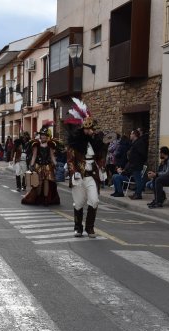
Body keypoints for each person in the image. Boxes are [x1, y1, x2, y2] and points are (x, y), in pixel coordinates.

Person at [65, 98, 106, 237]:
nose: (92, 131)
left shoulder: (96, 142)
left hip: (92, 176)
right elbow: (70, 160)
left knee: (94, 201)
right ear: (84, 129)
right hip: (79, 177)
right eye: (90, 129)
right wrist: (74, 172)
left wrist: (102, 169)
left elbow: (100, 157)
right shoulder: (75, 144)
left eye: (93, 129)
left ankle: (90, 228)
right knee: (78, 203)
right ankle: (78, 227)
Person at [22, 127, 60, 206]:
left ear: (47, 136)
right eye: (42, 135)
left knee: (46, 181)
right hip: (38, 165)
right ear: (40, 136)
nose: (43, 136)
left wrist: (57, 164)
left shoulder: (50, 144)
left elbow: (52, 156)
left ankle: (46, 199)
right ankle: (39, 197)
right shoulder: (36, 144)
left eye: (45, 135)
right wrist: (31, 165)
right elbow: (34, 156)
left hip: (47, 166)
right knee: (39, 182)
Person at [111, 129, 147, 197]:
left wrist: (136, 161)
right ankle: (119, 192)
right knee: (116, 176)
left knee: (138, 180)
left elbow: (142, 154)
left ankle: (138, 194)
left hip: (136, 165)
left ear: (135, 135)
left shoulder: (139, 143)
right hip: (133, 165)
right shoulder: (135, 143)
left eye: (131, 134)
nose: (130, 135)